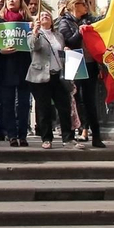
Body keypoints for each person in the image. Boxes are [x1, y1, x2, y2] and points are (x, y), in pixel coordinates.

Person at [55, 0, 106, 149]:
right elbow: (69, 41)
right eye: (84, 3)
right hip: (74, 63)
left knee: (90, 101)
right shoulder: (64, 22)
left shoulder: (89, 19)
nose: (87, 6)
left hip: (90, 63)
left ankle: (96, 135)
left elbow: (104, 21)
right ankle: (70, 135)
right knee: (73, 99)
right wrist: (81, 31)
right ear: (76, 5)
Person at [0, 0, 33, 147]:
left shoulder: (28, 21)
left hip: (24, 66)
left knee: (23, 103)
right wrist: (0, 51)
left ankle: (22, 135)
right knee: (7, 103)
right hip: (6, 67)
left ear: (20, 2)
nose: (11, 1)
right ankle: (11, 134)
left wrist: (35, 32)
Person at [25, 10, 73, 150]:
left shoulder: (58, 35)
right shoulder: (34, 34)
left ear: (52, 21)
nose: (45, 17)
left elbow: (60, 52)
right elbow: (34, 46)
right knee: (43, 108)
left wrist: (66, 51)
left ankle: (68, 138)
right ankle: (46, 138)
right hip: (40, 76)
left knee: (64, 107)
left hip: (57, 75)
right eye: (42, 16)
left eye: (47, 16)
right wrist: (35, 31)